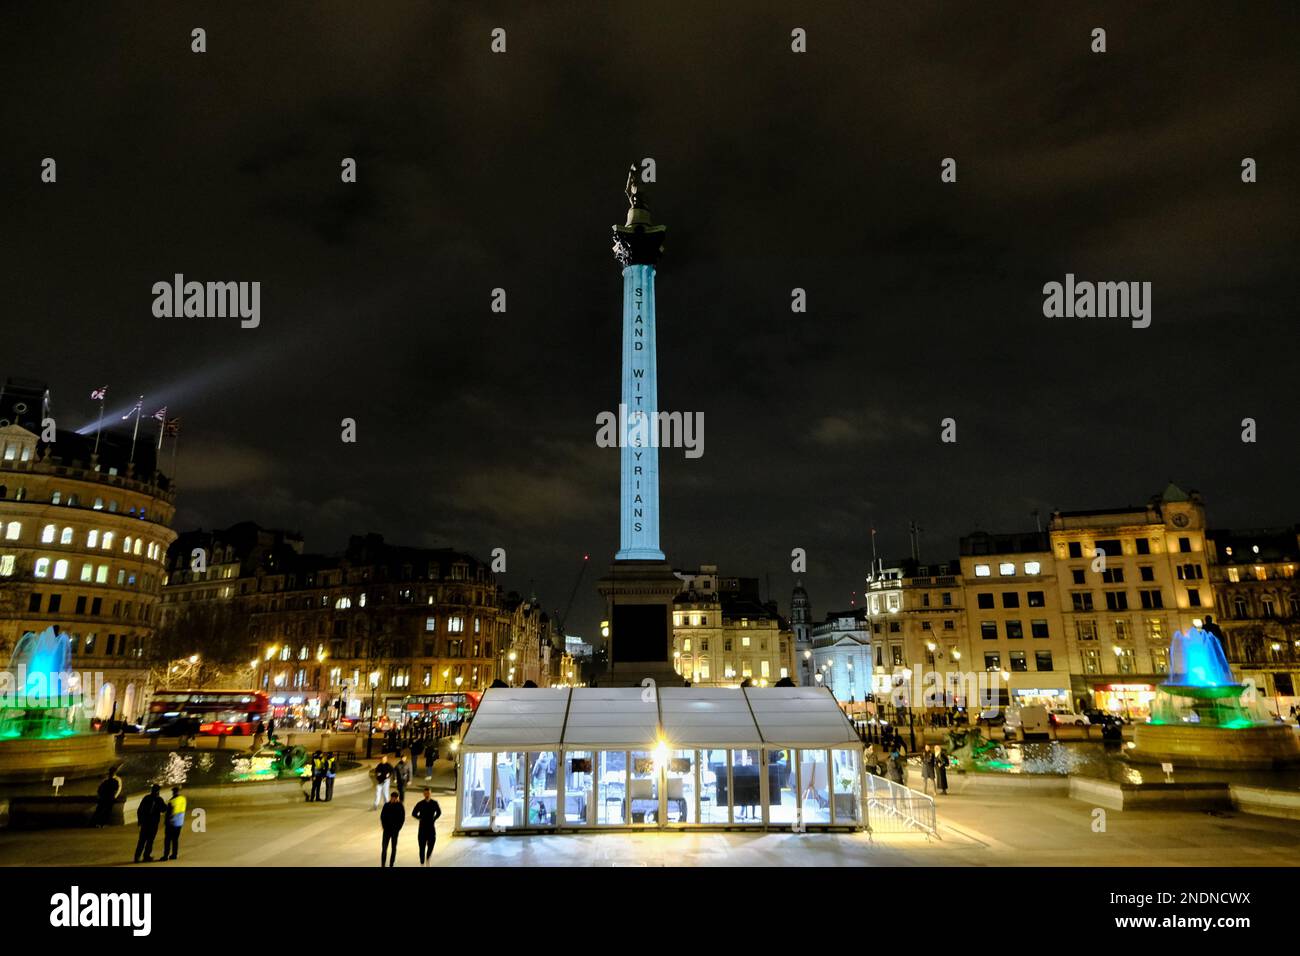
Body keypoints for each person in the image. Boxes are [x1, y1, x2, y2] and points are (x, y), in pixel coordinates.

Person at [134, 784, 168, 862]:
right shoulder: (159, 799)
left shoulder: (146, 798)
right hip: (153, 823)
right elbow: (163, 809)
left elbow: (139, 810)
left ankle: (137, 856)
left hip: (145, 823)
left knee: (141, 840)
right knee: (150, 840)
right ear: (158, 791)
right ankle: (146, 856)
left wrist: (140, 821)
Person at [411, 787, 442, 865]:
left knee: (431, 843)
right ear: (423, 794)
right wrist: (419, 818)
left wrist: (434, 818)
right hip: (422, 828)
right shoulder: (420, 803)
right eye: (425, 793)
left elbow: (439, 812)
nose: (427, 795)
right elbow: (414, 813)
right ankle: (422, 863)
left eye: (428, 793)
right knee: (422, 847)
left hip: (431, 827)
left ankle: (428, 858)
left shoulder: (434, 803)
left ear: (430, 793)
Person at [379, 791, 405, 866]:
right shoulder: (386, 805)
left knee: (393, 848)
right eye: (392, 798)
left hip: (395, 831)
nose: (394, 799)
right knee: (384, 848)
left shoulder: (400, 806)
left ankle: (391, 864)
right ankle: (383, 864)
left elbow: (402, 819)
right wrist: (384, 827)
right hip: (386, 830)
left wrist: (398, 828)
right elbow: (382, 816)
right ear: (391, 798)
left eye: (395, 798)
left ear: (397, 798)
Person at [163, 786, 186, 860]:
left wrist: (166, 821)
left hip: (171, 823)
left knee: (167, 840)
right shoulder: (183, 799)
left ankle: (166, 855)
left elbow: (168, 813)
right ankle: (174, 854)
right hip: (179, 822)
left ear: (173, 792)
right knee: (175, 840)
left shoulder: (172, 801)